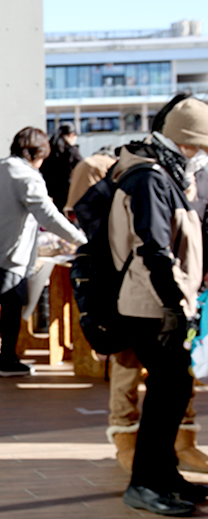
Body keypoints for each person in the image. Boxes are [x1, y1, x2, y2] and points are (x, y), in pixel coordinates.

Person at [102, 97, 208, 506]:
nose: (198, 155)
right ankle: (146, 483)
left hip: (155, 302)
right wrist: (177, 303)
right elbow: (154, 249)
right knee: (169, 389)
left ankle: (163, 476)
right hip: (151, 305)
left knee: (174, 387)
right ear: (184, 142)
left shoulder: (158, 172)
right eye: (196, 146)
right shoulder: (150, 178)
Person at [0, 127, 86, 377]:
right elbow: (49, 216)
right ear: (36, 154)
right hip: (4, 251)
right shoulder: (27, 176)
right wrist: (80, 239)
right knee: (12, 303)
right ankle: (7, 360)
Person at [41, 122, 83, 212]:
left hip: (52, 192)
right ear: (71, 135)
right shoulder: (71, 151)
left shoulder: (49, 148)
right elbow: (81, 166)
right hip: (68, 191)